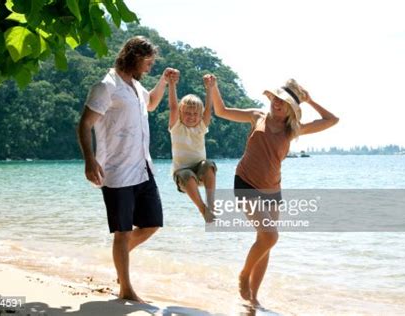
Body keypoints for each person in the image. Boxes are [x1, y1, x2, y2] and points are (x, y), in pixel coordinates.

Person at [210, 75, 339, 306]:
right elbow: (221, 111)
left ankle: (253, 298)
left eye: (284, 101)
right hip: (245, 182)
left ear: (291, 107)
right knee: (270, 236)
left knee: (265, 242)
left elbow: (332, 120)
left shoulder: (293, 130)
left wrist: (309, 100)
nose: (277, 103)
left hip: (272, 190)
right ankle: (243, 275)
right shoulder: (256, 116)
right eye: (276, 98)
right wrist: (213, 87)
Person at [77, 36, 176, 303]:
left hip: (143, 168)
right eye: (148, 62)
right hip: (117, 170)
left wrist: (164, 82)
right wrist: (89, 159)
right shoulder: (106, 87)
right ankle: (126, 288)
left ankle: (120, 258)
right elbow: (85, 124)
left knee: (153, 223)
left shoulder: (133, 86)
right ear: (134, 56)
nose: (150, 67)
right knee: (122, 231)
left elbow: (152, 103)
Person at [167, 71, 217, 222]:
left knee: (208, 164)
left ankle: (211, 204)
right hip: (183, 177)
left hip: (200, 172)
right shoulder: (176, 127)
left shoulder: (201, 126)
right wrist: (171, 85)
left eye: (195, 114)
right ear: (181, 114)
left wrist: (209, 88)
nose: (191, 116)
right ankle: (203, 210)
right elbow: (173, 107)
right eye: (187, 113)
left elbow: (208, 109)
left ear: (200, 115)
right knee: (187, 174)